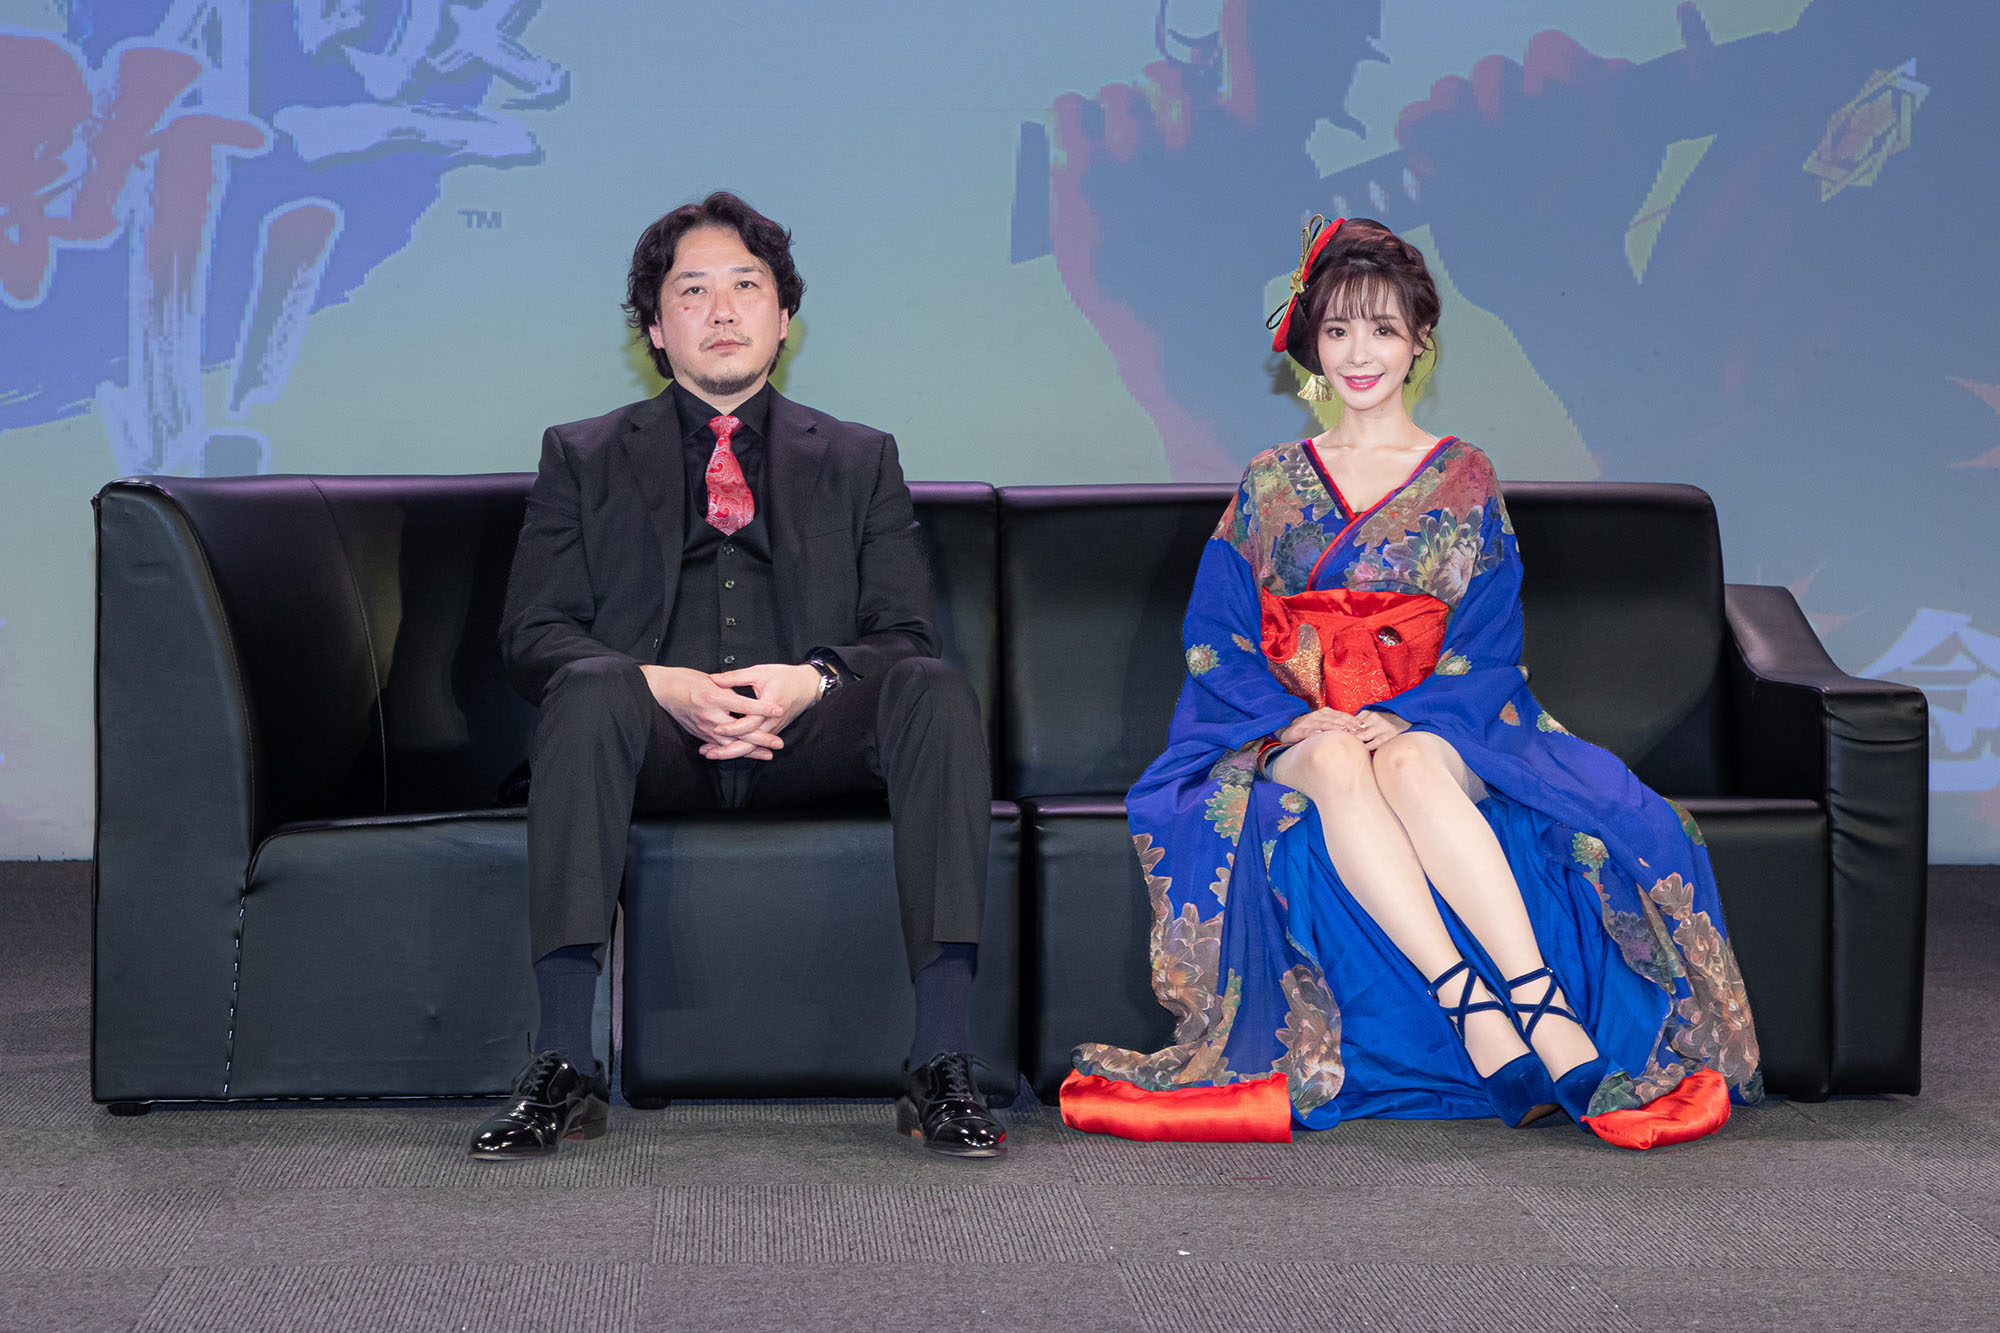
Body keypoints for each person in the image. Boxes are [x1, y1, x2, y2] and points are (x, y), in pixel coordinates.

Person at [1062, 217, 1762, 1150]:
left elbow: (1489, 636)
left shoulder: (1465, 476)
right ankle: (1469, 1003)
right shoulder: (1269, 483)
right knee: (1340, 765)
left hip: (1438, 718)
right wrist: (1297, 721)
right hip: (1297, 728)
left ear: (1420, 340)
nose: (1359, 354)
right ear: (1311, 343)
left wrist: (1403, 715)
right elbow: (1216, 638)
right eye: (1338, 330)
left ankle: (1539, 1007)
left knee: (1410, 766)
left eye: (1383, 330)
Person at [471, 192, 1004, 1161]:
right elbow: (532, 634)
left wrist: (813, 680)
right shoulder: (580, 456)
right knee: (587, 688)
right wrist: (659, 685)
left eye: (746, 288)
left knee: (934, 690)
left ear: (784, 315)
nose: (721, 311)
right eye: (692, 292)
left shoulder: (860, 457)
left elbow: (904, 633)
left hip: (809, 738)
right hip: (652, 741)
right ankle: (562, 1063)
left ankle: (940, 1058)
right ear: (653, 327)